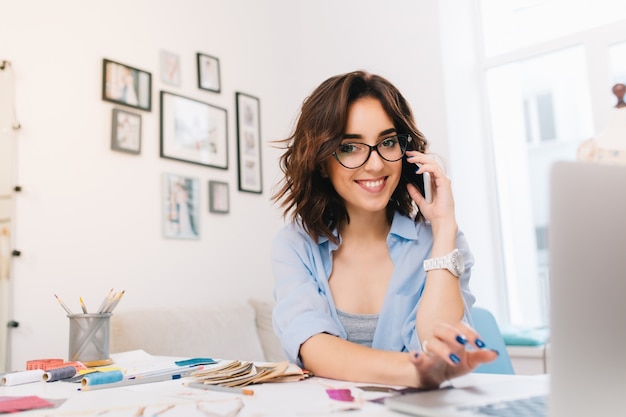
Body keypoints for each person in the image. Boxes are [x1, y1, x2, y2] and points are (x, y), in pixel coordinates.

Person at [270, 70, 498, 389]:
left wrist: (445, 226)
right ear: (322, 160)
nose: (376, 164)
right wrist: (417, 371)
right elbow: (314, 348)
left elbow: (438, 344)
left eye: (387, 142)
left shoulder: (440, 241)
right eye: (351, 147)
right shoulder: (295, 245)